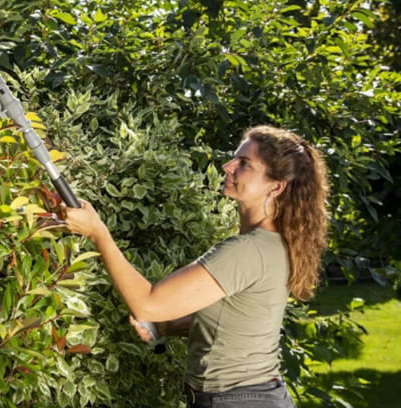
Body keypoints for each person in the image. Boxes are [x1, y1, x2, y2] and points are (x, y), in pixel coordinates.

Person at [62, 125, 330, 408]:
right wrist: (169, 325)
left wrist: (98, 233)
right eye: (233, 158)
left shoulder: (246, 251)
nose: (228, 166)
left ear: (275, 187)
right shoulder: (273, 244)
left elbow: (147, 304)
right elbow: (242, 322)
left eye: (244, 164)